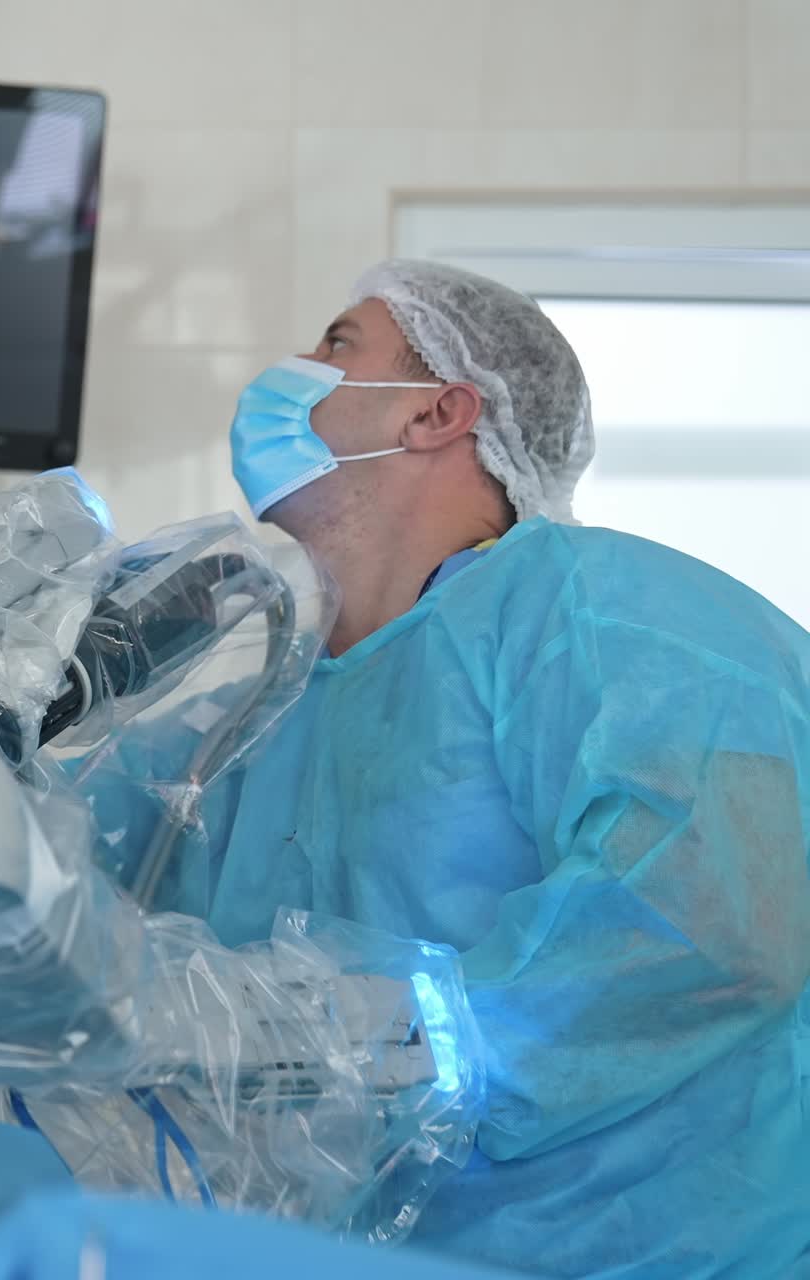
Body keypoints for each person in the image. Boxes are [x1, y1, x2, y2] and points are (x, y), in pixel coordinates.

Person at [117, 259, 810, 1277]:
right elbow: (81, 914)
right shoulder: (259, 710)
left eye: (337, 343)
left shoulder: (611, 615)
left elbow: (714, 925)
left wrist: (368, 1045)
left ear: (438, 411)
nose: (295, 365)